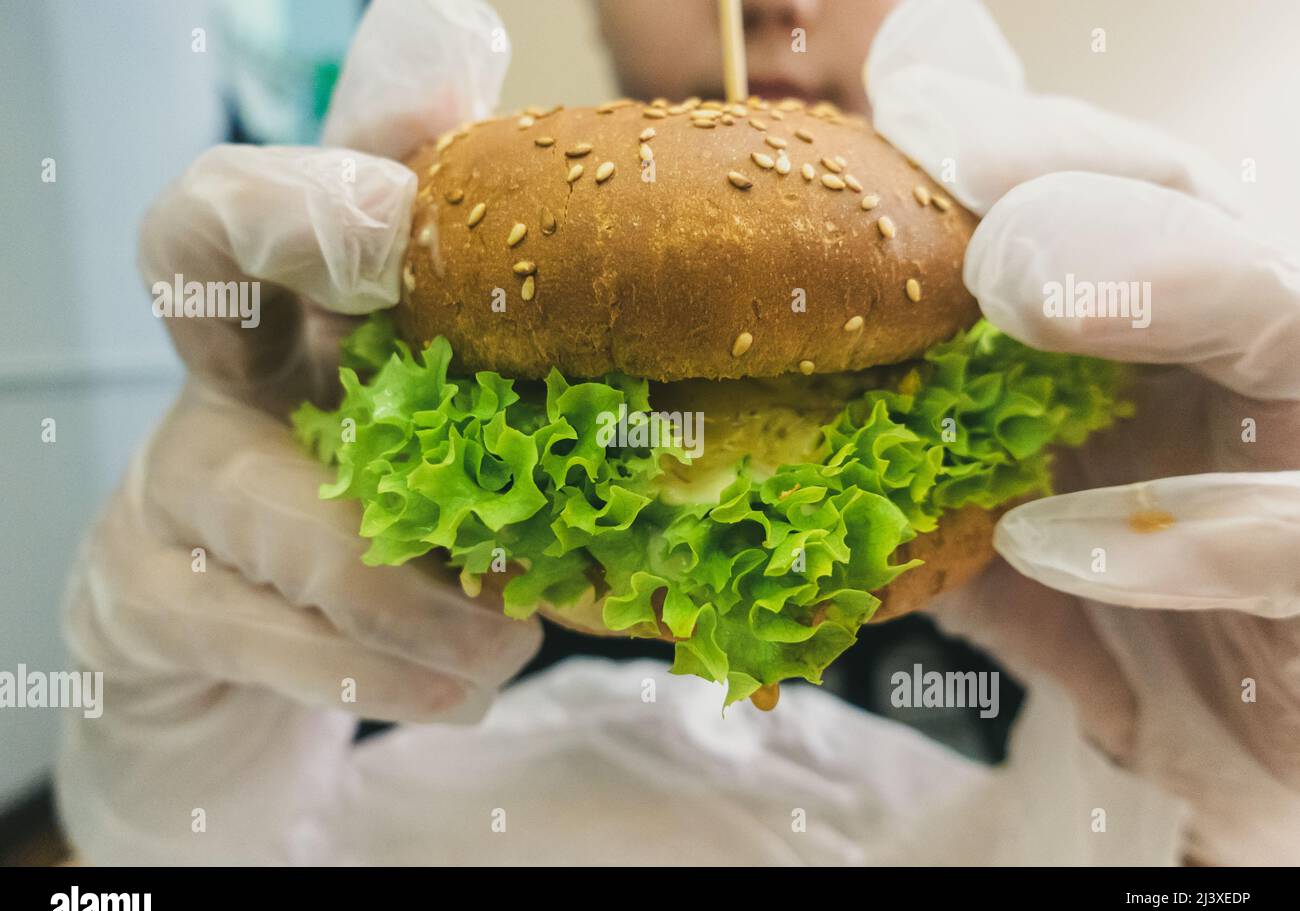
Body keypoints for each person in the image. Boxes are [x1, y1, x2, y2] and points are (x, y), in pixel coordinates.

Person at [58, 0, 1300, 865]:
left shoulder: (1139, 403)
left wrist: (1227, 825)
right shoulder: (361, 326)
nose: (775, 2)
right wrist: (171, 809)